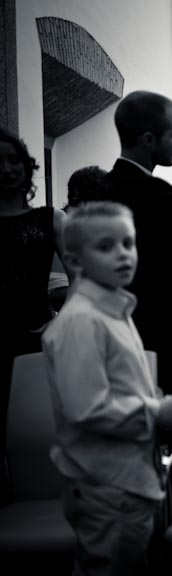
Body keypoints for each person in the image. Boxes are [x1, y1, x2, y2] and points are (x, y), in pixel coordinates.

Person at [42, 202, 172, 576]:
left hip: (126, 475)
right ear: (74, 259)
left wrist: (155, 399)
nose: (123, 254)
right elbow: (88, 408)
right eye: (106, 246)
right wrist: (157, 411)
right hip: (104, 480)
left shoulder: (115, 310)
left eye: (128, 243)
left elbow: (124, 386)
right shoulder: (81, 321)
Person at [101, 91, 172, 394]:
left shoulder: (103, 187)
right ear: (149, 140)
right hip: (165, 336)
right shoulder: (155, 193)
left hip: (121, 329)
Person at [0, 128, 67, 464]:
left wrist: (63, 321)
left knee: (40, 432)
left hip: (37, 336)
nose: (7, 168)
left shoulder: (51, 218)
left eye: (14, 160)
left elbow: (84, 276)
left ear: (27, 166)